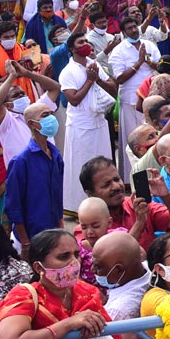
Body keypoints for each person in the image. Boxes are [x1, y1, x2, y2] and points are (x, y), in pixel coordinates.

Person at [58, 33, 118, 216]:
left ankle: (106, 204)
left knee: (103, 161)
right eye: (81, 42)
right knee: (81, 165)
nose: (85, 44)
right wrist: (90, 80)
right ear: (72, 49)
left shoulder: (94, 64)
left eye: (86, 41)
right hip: (80, 125)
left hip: (98, 122)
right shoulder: (68, 72)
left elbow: (113, 88)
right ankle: (80, 209)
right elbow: (73, 100)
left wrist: (97, 78)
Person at [3, 102, 65, 245]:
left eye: (51, 114)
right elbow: (13, 205)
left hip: (53, 232)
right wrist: (25, 242)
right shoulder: (21, 161)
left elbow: (57, 194)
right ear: (32, 124)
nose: (51, 119)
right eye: (45, 115)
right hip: (31, 237)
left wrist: (60, 222)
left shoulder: (55, 155)